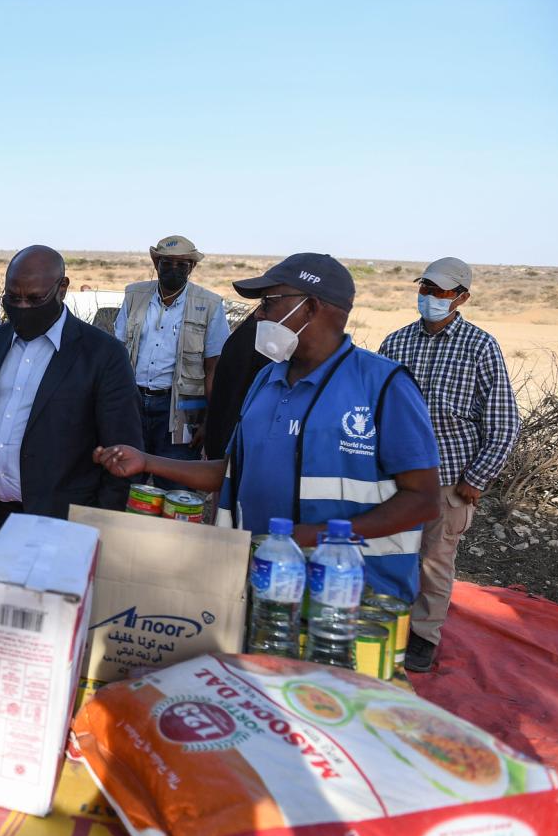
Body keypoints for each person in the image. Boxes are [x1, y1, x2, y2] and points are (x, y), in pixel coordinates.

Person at [96, 254, 441, 603]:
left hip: (353, 595)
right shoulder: (267, 379)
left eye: (269, 302)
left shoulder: (383, 386)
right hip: (263, 585)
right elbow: (232, 471)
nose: (259, 315)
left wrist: (320, 536)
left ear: (310, 307)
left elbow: (424, 500)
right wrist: (147, 461)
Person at [379, 257, 520, 672]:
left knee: (435, 561)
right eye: (425, 288)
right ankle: (386, 624)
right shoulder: (396, 343)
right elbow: (376, 406)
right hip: (396, 477)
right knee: (388, 553)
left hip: (449, 479)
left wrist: (476, 478)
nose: (429, 297)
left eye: (439, 291)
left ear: (461, 298)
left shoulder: (480, 346)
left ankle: (423, 637)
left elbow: (503, 422)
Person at [0, 245, 143, 557]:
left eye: (34, 299)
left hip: (62, 524)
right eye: (13, 298)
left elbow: (123, 455)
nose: (22, 307)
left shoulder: (103, 355)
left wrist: (96, 526)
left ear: (62, 288)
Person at [113, 235, 230, 485]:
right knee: (124, 482)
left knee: (175, 486)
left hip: (182, 409)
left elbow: (214, 368)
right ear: (157, 264)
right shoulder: (134, 295)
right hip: (132, 402)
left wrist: (209, 421)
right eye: (167, 263)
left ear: (192, 267)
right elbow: (118, 352)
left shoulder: (210, 304)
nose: (173, 269)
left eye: (181, 264)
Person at [201, 313, 269, 460]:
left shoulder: (252, 332)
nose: (260, 313)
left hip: (229, 441)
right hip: (234, 443)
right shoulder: (257, 335)